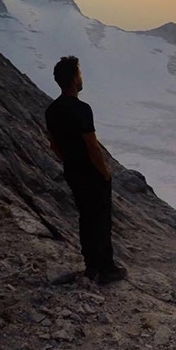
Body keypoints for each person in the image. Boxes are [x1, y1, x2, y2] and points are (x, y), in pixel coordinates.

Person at [45, 56, 127, 284]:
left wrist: (70, 160)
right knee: (101, 219)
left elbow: (53, 144)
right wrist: (105, 172)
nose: (81, 78)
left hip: (73, 171)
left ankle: (91, 266)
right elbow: (92, 146)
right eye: (79, 74)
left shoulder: (51, 110)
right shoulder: (82, 109)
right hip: (91, 172)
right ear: (73, 80)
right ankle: (107, 268)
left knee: (86, 217)